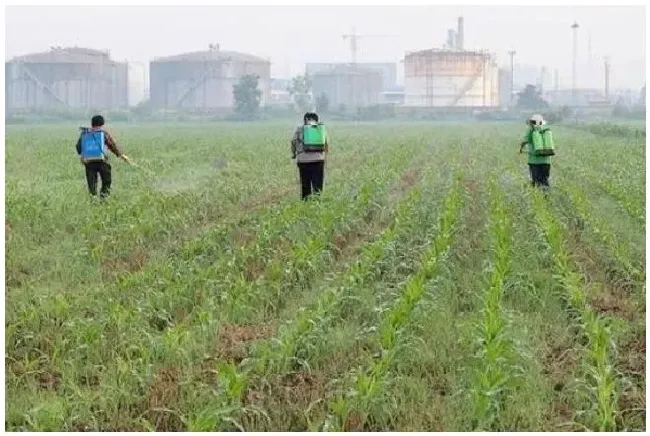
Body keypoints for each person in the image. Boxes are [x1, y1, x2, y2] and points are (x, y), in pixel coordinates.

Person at [75, 115, 129, 199]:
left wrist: (85, 154)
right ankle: (103, 199)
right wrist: (121, 155)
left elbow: (78, 148)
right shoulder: (103, 133)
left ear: (92, 124)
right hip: (102, 162)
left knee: (92, 184)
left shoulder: (84, 134)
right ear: (102, 124)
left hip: (89, 163)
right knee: (106, 181)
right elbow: (112, 145)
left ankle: (94, 200)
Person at [291, 112, 329, 200]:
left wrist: (294, 154)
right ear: (316, 120)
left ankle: (305, 202)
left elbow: (293, 141)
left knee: (305, 184)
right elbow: (326, 144)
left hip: (303, 161)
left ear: (305, 119)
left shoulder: (300, 129)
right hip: (318, 160)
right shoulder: (320, 128)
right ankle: (317, 202)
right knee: (317, 184)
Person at [519, 113, 554, 190]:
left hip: (534, 161)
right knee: (545, 180)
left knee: (536, 181)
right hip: (546, 161)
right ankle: (546, 197)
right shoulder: (545, 129)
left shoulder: (531, 129)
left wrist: (521, 149)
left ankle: (538, 198)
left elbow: (524, 141)